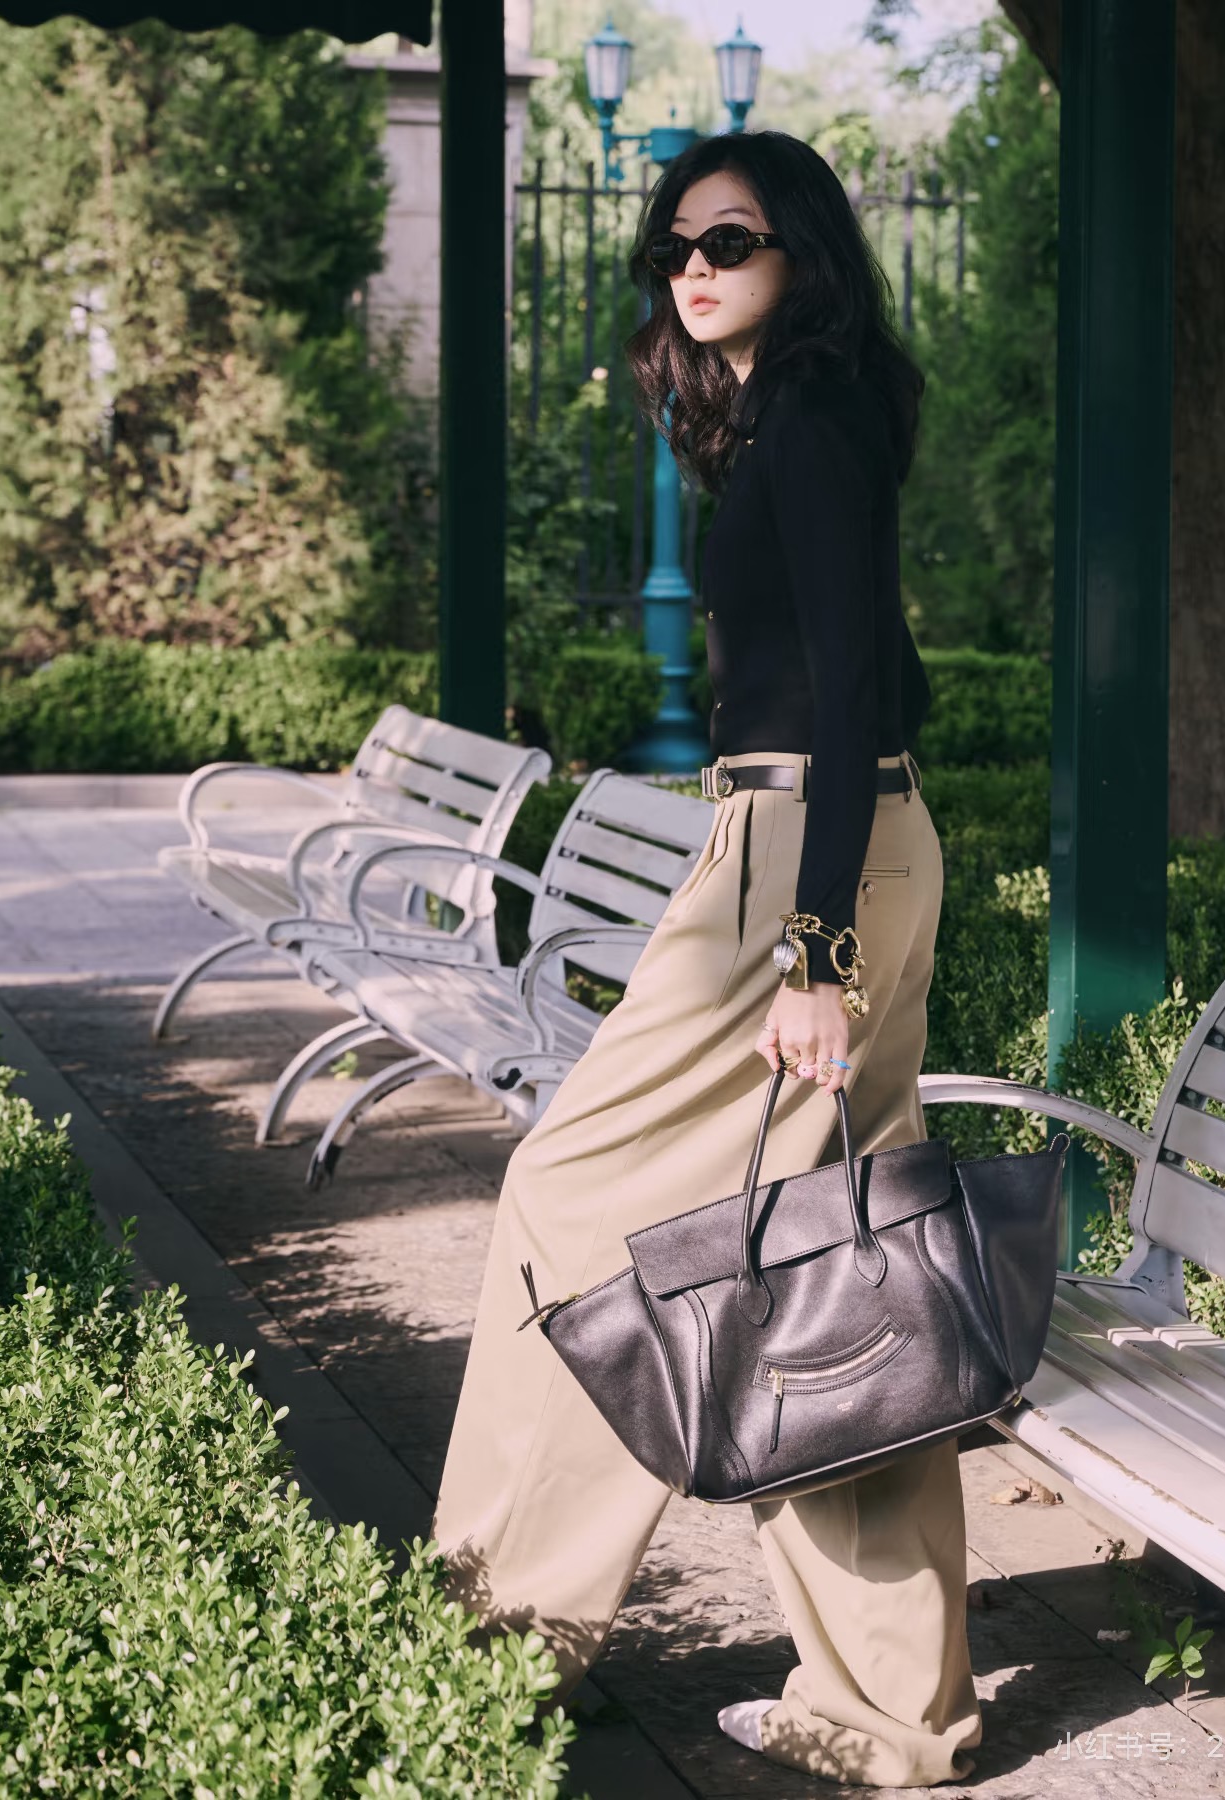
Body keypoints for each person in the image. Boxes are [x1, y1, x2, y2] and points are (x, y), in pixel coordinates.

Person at [429, 129, 981, 1788]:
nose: (693, 268)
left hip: (806, 863)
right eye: (676, 245)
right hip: (831, 845)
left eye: (729, 241)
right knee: (833, 1262)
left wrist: (815, 948)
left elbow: (857, 691)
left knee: (570, 1200)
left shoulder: (809, 417)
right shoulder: (798, 414)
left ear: (801, 251)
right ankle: (889, 1712)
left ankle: (495, 1641)